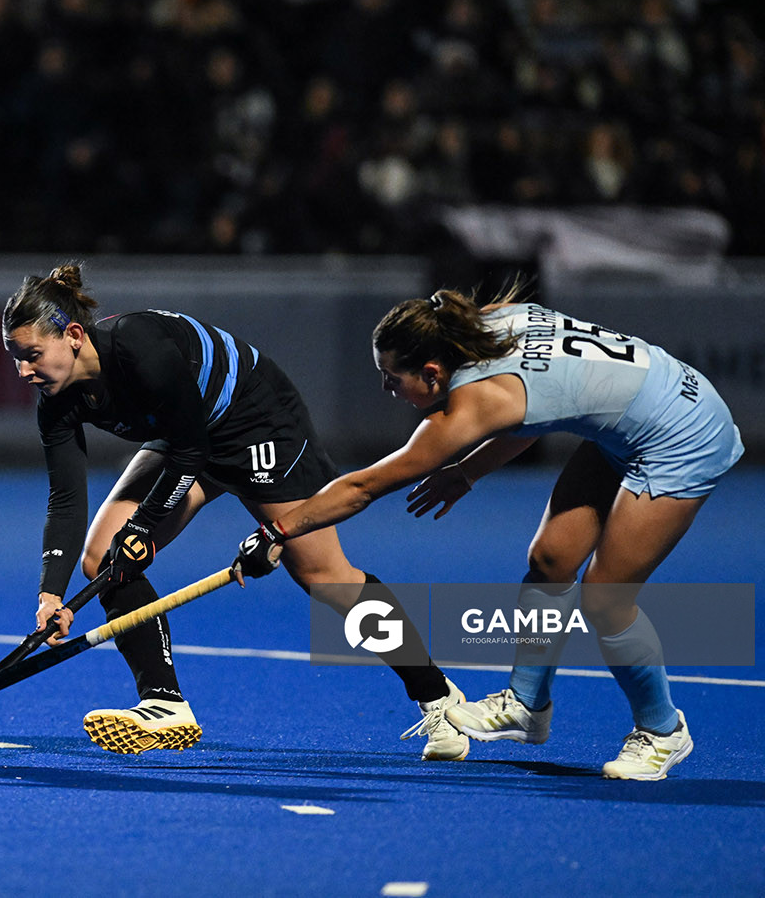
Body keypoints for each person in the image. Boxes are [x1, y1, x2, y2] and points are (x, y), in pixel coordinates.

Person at [235, 288, 743, 780]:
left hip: (682, 434)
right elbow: (541, 405)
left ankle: (661, 730)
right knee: (550, 560)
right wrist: (470, 471)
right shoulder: (485, 325)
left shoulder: (473, 403)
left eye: (391, 378)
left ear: (432, 373)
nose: (387, 390)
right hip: (639, 415)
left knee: (606, 597)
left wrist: (279, 529)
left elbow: (365, 487)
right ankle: (526, 705)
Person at [2, 265, 468, 759]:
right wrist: (50, 593)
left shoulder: (138, 348)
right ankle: (163, 702)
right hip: (187, 435)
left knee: (325, 577)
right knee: (101, 557)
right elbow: (67, 498)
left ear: (73, 336)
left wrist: (141, 529)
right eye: (16, 359)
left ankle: (437, 695)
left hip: (256, 420)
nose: (24, 372)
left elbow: (190, 451)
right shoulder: (54, 401)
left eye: (32, 356)